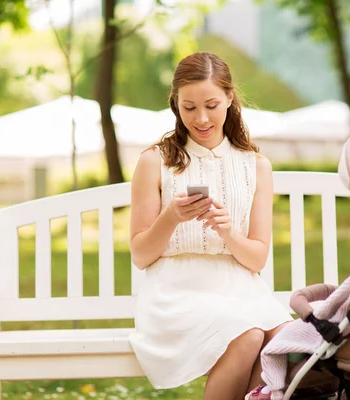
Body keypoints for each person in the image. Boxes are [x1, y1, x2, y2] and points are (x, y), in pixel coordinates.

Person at [128, 52, 293, 400]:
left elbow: (257, 259)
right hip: (175, 291)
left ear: (231, 98)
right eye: (189, 107)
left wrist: (228, 232)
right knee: (246, 335)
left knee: (284, 340)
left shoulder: (256, 165)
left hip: (240, 288)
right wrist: (171, 216)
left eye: (212, 105)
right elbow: (141, 256)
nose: (201, 118)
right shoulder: (153, 162)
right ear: (175, 103)